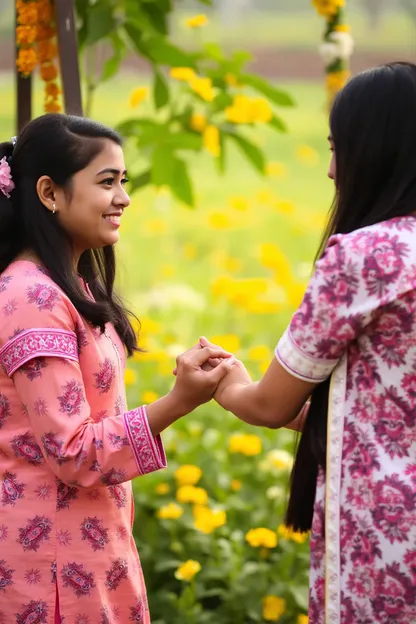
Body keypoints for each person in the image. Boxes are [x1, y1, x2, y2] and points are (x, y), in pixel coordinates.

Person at [202, 62, 416, 624]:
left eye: (337, 147)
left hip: (385, 531)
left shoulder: (365, 258)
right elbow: (378, 409)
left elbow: (270, 404)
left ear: (375, 149)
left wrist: (228, 383)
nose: (328, 170)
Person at [0, 114, 233, 624]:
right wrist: (178, 403)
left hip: (88, 546)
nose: (124, 197)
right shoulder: (31, 296)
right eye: (107, 182)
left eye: (123, 181)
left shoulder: (69, 288)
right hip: (48, 570)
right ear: (49, 193)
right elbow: (72, 452)